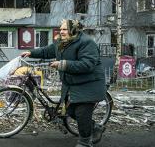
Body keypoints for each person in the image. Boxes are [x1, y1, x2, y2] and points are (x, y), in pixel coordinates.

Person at [21, 19, 106, 147]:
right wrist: (31, 53)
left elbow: (87, 64)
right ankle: (95, 128)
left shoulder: (86, 43)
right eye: (60, 29)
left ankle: (85, 142)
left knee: (81, 113)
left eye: (64, 29)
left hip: (88, 84)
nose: (61, 31)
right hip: (72, 83)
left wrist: (62, 64)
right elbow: (48, 50)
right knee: (70, 111)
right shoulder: (62, 42)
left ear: (73, 30)